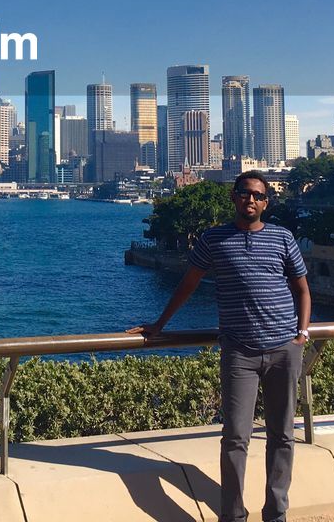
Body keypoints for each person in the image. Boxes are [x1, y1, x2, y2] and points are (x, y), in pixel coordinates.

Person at [129, 171, 311, 522]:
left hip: (284, 349)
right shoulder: (213, 239)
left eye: (258, 195)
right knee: (235, 438)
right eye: (245, 193)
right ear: (234, 197)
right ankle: (232, 515)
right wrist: (160, 324)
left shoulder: (282, 237)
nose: (251, 200)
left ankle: (276, 512)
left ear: (266, 202)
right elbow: (188, 284)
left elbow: (302, 289)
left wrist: (301, 335)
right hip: (239, 352)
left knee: (283, 435)